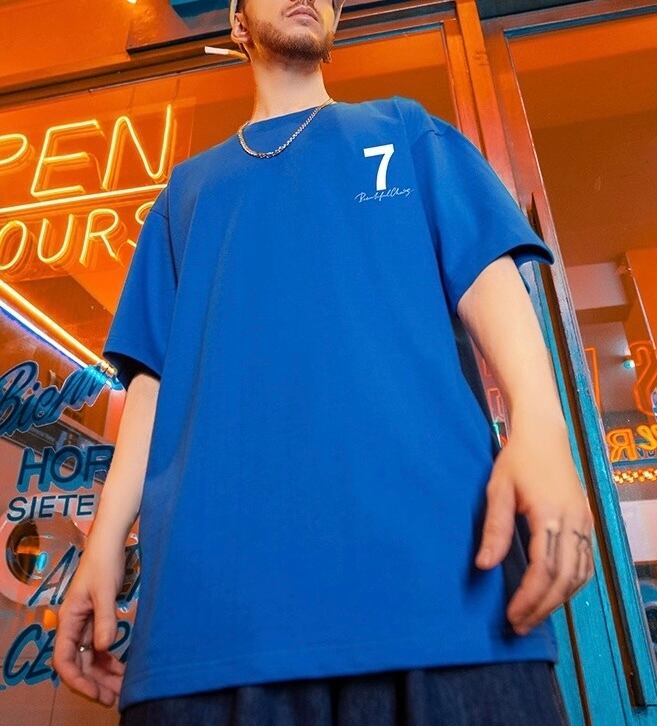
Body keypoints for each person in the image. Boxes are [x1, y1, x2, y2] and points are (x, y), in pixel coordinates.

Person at [53, 0, 594, 723]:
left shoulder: (404, 132)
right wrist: (103, 543)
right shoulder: (185, 195)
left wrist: (544, 429)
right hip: (214, 616)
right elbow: (152, 384)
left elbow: (488, 278)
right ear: (237, 22)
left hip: (439, 587)